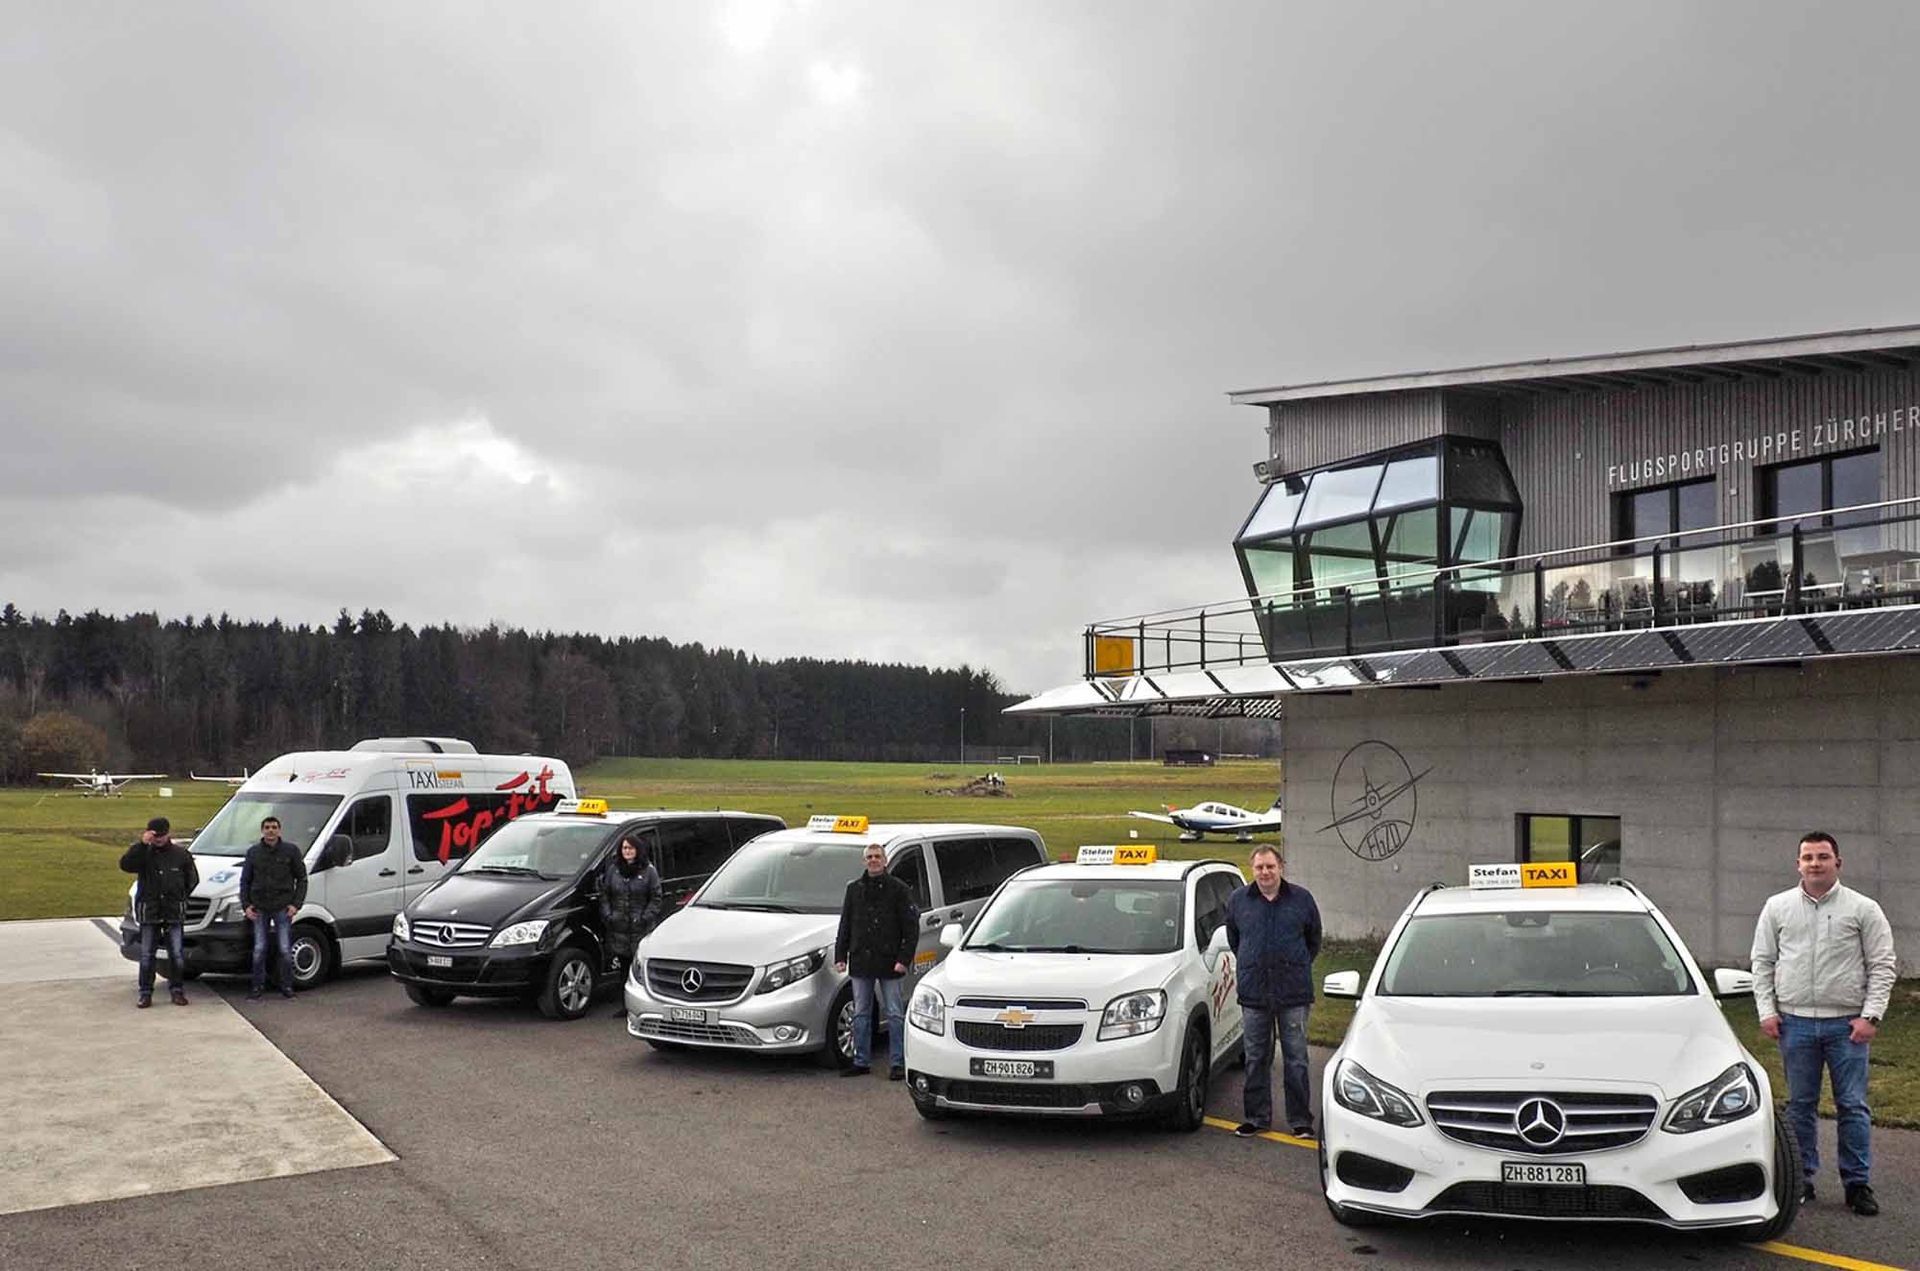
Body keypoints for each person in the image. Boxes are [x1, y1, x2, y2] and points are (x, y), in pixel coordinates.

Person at [1751, 831, 1896, 1217]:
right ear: (1798, 863)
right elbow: (1762, 962)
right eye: (1808, 857)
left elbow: (1882, 965)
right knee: (1799, 1106)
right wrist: (1767, 1010)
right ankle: (1802, 1181)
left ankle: (1857, 1184)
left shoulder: (1863, 909)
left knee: (1852, 1106)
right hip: (1795, 1024)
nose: (1815, 863)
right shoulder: (1777, 907)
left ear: (1838, 863)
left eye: (1823, 856)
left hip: (1847, 1027)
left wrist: (1870, 1016)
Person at [1225, 843, 1322, 1139]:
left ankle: (1300, 1120)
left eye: (1270, 866)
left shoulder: (1302, 900)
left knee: (1296, 1058)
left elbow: (1313, 941)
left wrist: (1293, 965)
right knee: (1256, 1057)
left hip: (1293, 993)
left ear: (1281, 867)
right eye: (1259, 867)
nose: (1265, 872)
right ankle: (1256, 1117)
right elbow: (1235, 940)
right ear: (1252, 870)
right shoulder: (1238, 900)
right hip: (1255, 994)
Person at [833, 843, 915, 1079]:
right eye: (869, 857)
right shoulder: (854, 889)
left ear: (886, 861)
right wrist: (840, 955)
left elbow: (911, 928)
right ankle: (861, 1061)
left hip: (891, 962)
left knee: (894, 1014)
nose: (873, 860)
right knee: (861, 1014)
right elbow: (845, 925)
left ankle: (898, 1063)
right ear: (864, 861)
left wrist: (904, 959)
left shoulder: (899, 889)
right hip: (861, 960)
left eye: (877, 856)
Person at [119, 816, 199, 1008]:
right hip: (150, 911)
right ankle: (145, 993)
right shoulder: (143, 853)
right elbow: (126, 865)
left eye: (162, 835)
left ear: (168, 834)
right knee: (147, 955)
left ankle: (177, 990)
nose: (159, 840)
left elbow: (192, 880)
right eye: (155, 836)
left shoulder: (181, 855)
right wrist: (141, 845)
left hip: (173, 911)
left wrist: (180, 897)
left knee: (177, 955)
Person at [240, 815, 308, 1001]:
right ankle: (257, 988)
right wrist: (246, 905)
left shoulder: (290, 851)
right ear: (262, 830)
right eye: (267, 827)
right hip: (260, 907)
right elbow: (245, 881)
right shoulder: (253, 852)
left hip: (282, 907)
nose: (271, 830)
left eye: (274, 827)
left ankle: (287, 987)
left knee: (285, 949)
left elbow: (302, 879)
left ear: (280, 830)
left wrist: (296, 904)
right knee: (259, 949)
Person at [599, 836, 662, 1012]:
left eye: (631, 848)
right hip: (618, 928)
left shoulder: (649, 871)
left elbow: (656, 897)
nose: (627, 851)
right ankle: (625, 1005)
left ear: (638, 850)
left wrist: (644, 917)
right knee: (623, 968)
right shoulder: (614, 870)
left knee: (640, 967)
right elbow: (605, 895)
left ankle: (644, 1004)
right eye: (624, 848)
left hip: (640, 927)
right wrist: (609, 915)